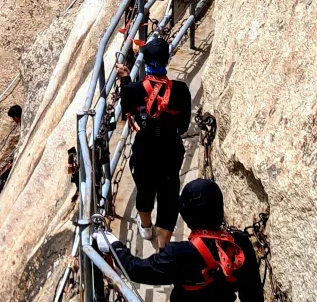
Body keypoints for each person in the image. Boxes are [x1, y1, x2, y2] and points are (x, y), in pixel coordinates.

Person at [93, 179, 263, 301]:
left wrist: (113, 245)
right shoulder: (239, 244)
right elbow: (252, 293)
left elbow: (135, 270)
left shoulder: (178, 253)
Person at [116, 36, 191, 248]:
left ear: (145, 61)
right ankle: (162, 251)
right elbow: (183, 126)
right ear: (167, 60)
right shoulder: (181, 90)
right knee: (168, 198)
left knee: (145, 189)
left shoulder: (133, 90)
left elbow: (127, 112)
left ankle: (146, 227)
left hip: (144, 150)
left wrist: (124, 78)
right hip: (170, 149)